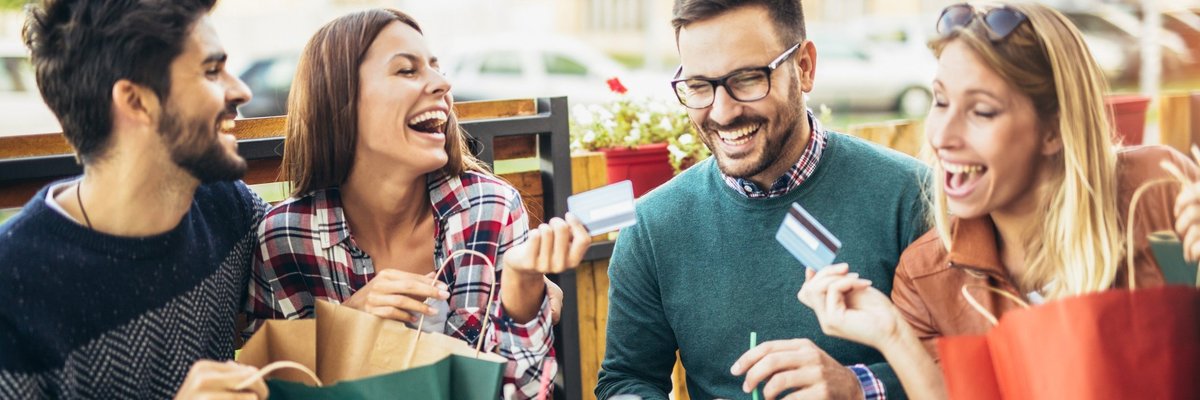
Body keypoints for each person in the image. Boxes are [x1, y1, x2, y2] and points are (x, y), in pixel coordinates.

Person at [798, 3, 1200, 399]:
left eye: (982, 111)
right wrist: (892, 334)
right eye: (940, 101)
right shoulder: (927, 277)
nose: (943, 136)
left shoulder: (1157, 194)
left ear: (1054, 131)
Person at [242, 8, 591, 399]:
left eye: (436, 68)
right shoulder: (286, 238)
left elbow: (523, 393)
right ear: (339, 100)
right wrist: (348, 325)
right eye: (407, 71)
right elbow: (273, 387)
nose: (442, 83)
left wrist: (522, 286)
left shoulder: (490, 209)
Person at [594, 0, 931, 399]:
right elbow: (625, 381)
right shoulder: (652, 228)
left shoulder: (913, 196)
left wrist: (857, 388)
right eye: (700, 86)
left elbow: (960, 366)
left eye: (748, 79)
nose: (722, 112)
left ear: (804, 67)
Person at [0, 0, 272, 398]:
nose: (242, 90)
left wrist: (348, 310)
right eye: (212, 71)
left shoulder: (228, 208)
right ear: (136, 101)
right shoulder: (14, 290)